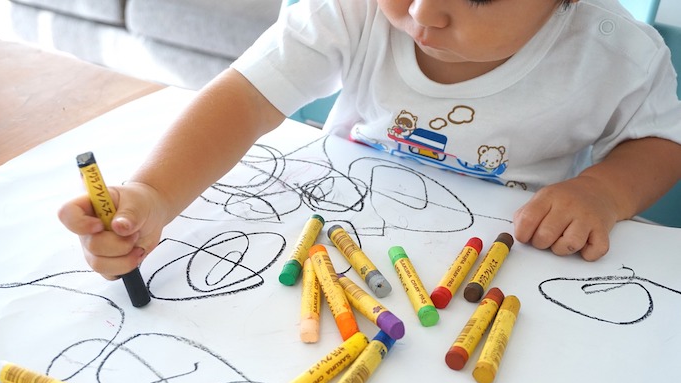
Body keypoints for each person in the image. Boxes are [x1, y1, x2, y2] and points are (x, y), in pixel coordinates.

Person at [58, 0, 681, 281]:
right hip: (344, 242)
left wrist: (603, 190)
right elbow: (245, 98)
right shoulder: (350, 10)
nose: (424, 13)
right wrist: (154, 193)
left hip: (508, 264)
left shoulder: (615, 54)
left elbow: (661, 142)